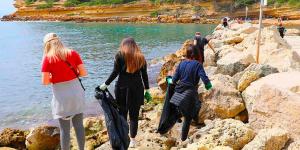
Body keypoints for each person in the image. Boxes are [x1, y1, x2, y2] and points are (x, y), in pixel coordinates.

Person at [100, 37, 152, 148]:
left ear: (123, 45)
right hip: (137, 88)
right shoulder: (141, 57)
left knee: (122, 114)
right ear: (135, 45)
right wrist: (147, 90)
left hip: (121, 88)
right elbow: (144, 76)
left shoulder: (119, 55)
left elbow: (115, 72)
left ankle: (124, 137)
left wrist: (105, 84)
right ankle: (133, 140)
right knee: (134, 116)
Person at [41, 33, 87, 150]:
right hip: (76, 92)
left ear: (47, 45)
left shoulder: (48, 59)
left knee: (64, 130)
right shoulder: (73, 53)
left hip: (61, 96)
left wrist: (55, 78)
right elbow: (83, 73)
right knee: (79, 126)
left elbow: (45, 81)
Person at [167, 44, 212, 141]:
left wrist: (168, 79)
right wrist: (209, 86)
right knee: (189, 117)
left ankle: (179, 116)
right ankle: (183, 139)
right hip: (189, 95)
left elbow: (173, 81)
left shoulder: (181, 64)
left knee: (188, 108)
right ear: (196, 54)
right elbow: (204, 79)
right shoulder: (197, 65)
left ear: (187, 54)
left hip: (177, 95)